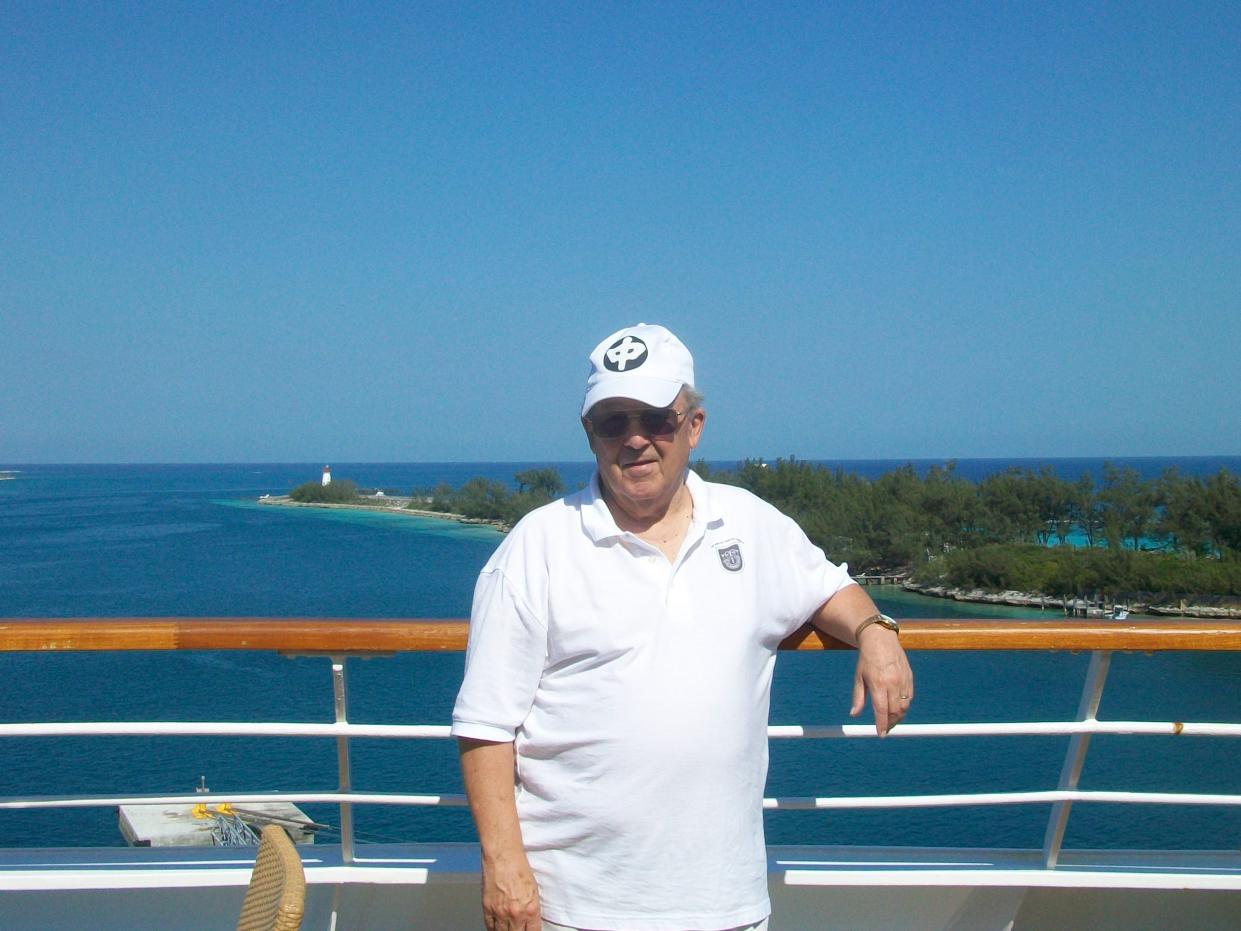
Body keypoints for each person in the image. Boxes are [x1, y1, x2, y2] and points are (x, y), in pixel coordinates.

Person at [452, 323, 914, 931]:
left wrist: (878, 632)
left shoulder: (748, 523)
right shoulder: (535, 548)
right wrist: (504, 868)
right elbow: (486, 723)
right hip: (578, 907)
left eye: (656, 419)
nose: (636, 439)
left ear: (693, 427)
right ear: (590, 434)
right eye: (614, 422)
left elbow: (831, 587)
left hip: (727, 905)